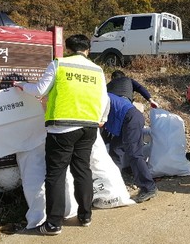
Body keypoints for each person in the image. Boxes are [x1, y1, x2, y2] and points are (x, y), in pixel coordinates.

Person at [14, 34, 110, 235]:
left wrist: (22, 86)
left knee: (56, 175)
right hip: (89, 127)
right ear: (88, 50)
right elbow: (104, 99)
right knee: (82, 170)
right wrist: (102, 118)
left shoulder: (60, 64)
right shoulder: (97, 70)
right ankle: (85, 216)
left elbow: (40, 90)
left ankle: (53, 224)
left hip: (62, 128)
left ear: (68, 48)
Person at [104, 92, 158, 203]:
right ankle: (114, 186)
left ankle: (149, 187)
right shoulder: (102, 94)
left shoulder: (99, 97)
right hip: (125, 120)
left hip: (130, 119)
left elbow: (100, 123)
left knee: (134, 154)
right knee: (115, 150)